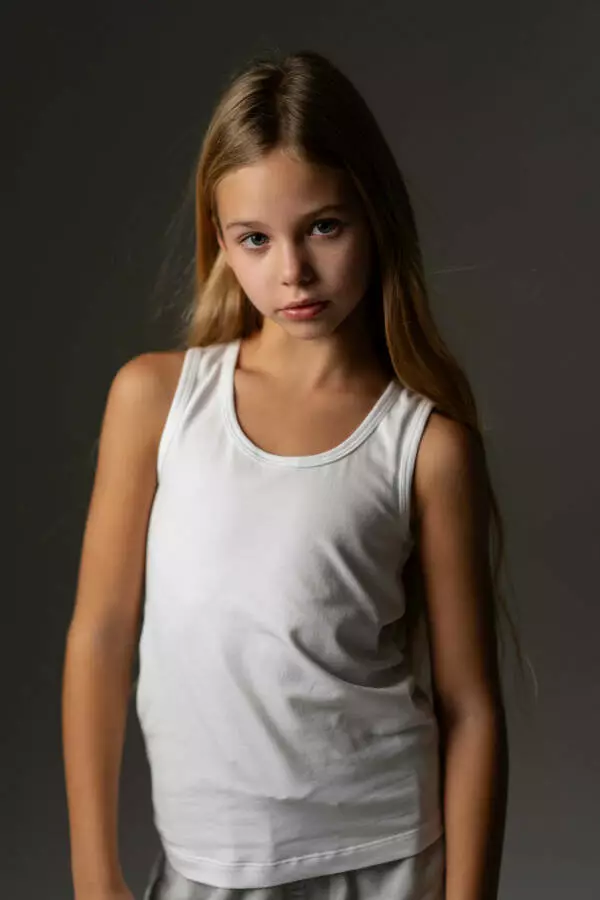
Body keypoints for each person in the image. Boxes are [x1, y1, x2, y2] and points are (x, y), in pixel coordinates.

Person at [62, 49, 522, 900]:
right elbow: (100, 634)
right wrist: (94, 873)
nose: (293, 272)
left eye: (324, 227)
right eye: (255, 239)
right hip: (207, 868)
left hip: (385, 862)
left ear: (374, 217)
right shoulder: (155, 402)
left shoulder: (426, 446)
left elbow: (470, 707)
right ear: (221, 243)